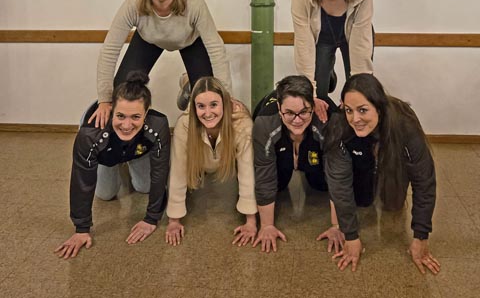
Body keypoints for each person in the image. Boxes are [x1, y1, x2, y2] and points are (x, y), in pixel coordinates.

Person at [89, 0, 231, 128]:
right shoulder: (133, 4)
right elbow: (110, 50)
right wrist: (104, 99)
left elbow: (216, 49)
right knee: (122, 92)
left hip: (190, 41)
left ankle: (189, 82)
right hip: (148, 40)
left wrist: (226, 96)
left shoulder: (194, 3)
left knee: (207, 96)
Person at [323, 73, 440, 274]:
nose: (355, 118)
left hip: (392, 156)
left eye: (363, 110)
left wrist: (421, 237)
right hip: (362, 157)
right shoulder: (340, 126)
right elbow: (339, 187)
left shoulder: (405, 124)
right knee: (362, 201)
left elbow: (424, 182)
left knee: (393, 204)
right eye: (349, 110)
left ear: (378, 108)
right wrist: (351, 236)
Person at [54, 72, 170, 259]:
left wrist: (151, 219)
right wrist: (81, 229)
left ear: (146, 114)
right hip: (105, 151)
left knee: (145, 187)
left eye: (135, 117)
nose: (126, 124)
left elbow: (160, 171)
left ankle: (129, 158)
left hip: (137, 149)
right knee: (106, 194)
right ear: (111, 110)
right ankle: (117, 162)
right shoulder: (90, 134)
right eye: (120, 116)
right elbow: (82, 181)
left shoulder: (158, 124)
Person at [165, 77, 257, 246]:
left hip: (223, 160)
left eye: (214, 105)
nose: (207, 113)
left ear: (225, 102)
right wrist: (174, 221)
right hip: (202, 162)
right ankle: (187, 84)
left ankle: (188, 81)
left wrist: (250, 221)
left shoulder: (242, 123)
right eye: (201, 106)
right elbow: (178, 171)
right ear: (194, 107)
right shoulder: (184, 124)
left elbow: (247, 171)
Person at [291, 0, 375, 118]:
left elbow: (361, 50)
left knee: (358, 90)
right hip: (321, 38)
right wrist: (310, 94)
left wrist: (355, 98)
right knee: (318, 92)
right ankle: (328, 74)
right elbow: (304, 45)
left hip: (353, 37)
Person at [253, 75, 333, 253]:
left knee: (320, 184)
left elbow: (337, 174)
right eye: (289, 113)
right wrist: (266, 226)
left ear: (313, 107)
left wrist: (337, 225)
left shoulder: (326, 120)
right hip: (280, 146)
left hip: (311, 144)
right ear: (279, 109)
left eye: (304, 112)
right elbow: (264, 176)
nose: (297, 120)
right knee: (277, 186)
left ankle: (303, 162)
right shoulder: (264, 123)